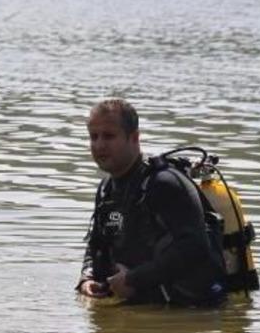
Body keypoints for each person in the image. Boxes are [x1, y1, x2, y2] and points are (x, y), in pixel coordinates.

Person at [77, 99, 227, 306]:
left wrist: (133, 279)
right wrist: (87, 279)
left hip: (184, 312)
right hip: (137, 309)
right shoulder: (106, 189)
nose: (100, 145)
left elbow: (195, 247)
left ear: (134, 138)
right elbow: (95, 245)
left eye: (109, 136)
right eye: (94, 137)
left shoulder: (165, 183)